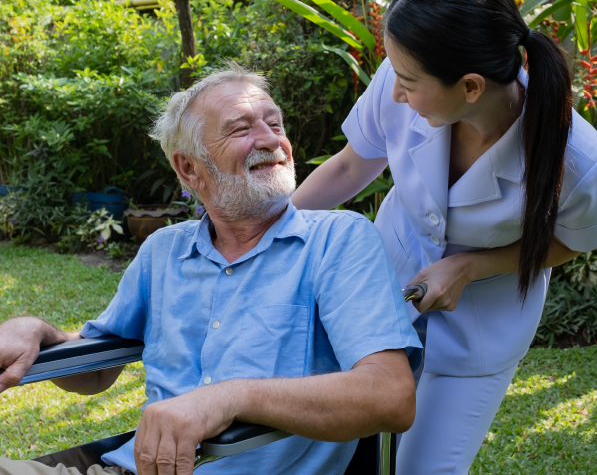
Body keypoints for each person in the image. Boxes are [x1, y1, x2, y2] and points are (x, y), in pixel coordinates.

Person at [0, 64, 421, 475]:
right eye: (241, 129)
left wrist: (229, 397)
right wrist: (43, 333)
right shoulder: (163, 251)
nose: (270, 140)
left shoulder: (338, 240)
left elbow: (390, 396)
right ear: (188, 168)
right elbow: (97, 368)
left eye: (275, 124)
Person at [291, 0, 597, 472]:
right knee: (336, 452)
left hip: (478, 331)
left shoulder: (578, 160)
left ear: (470, 87)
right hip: (382, 285)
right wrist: (267, 229)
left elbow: (574, 240)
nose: (396, 93)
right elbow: (352, 164)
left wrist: (469, 268)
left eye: (408, 84)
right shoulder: (407, 76)